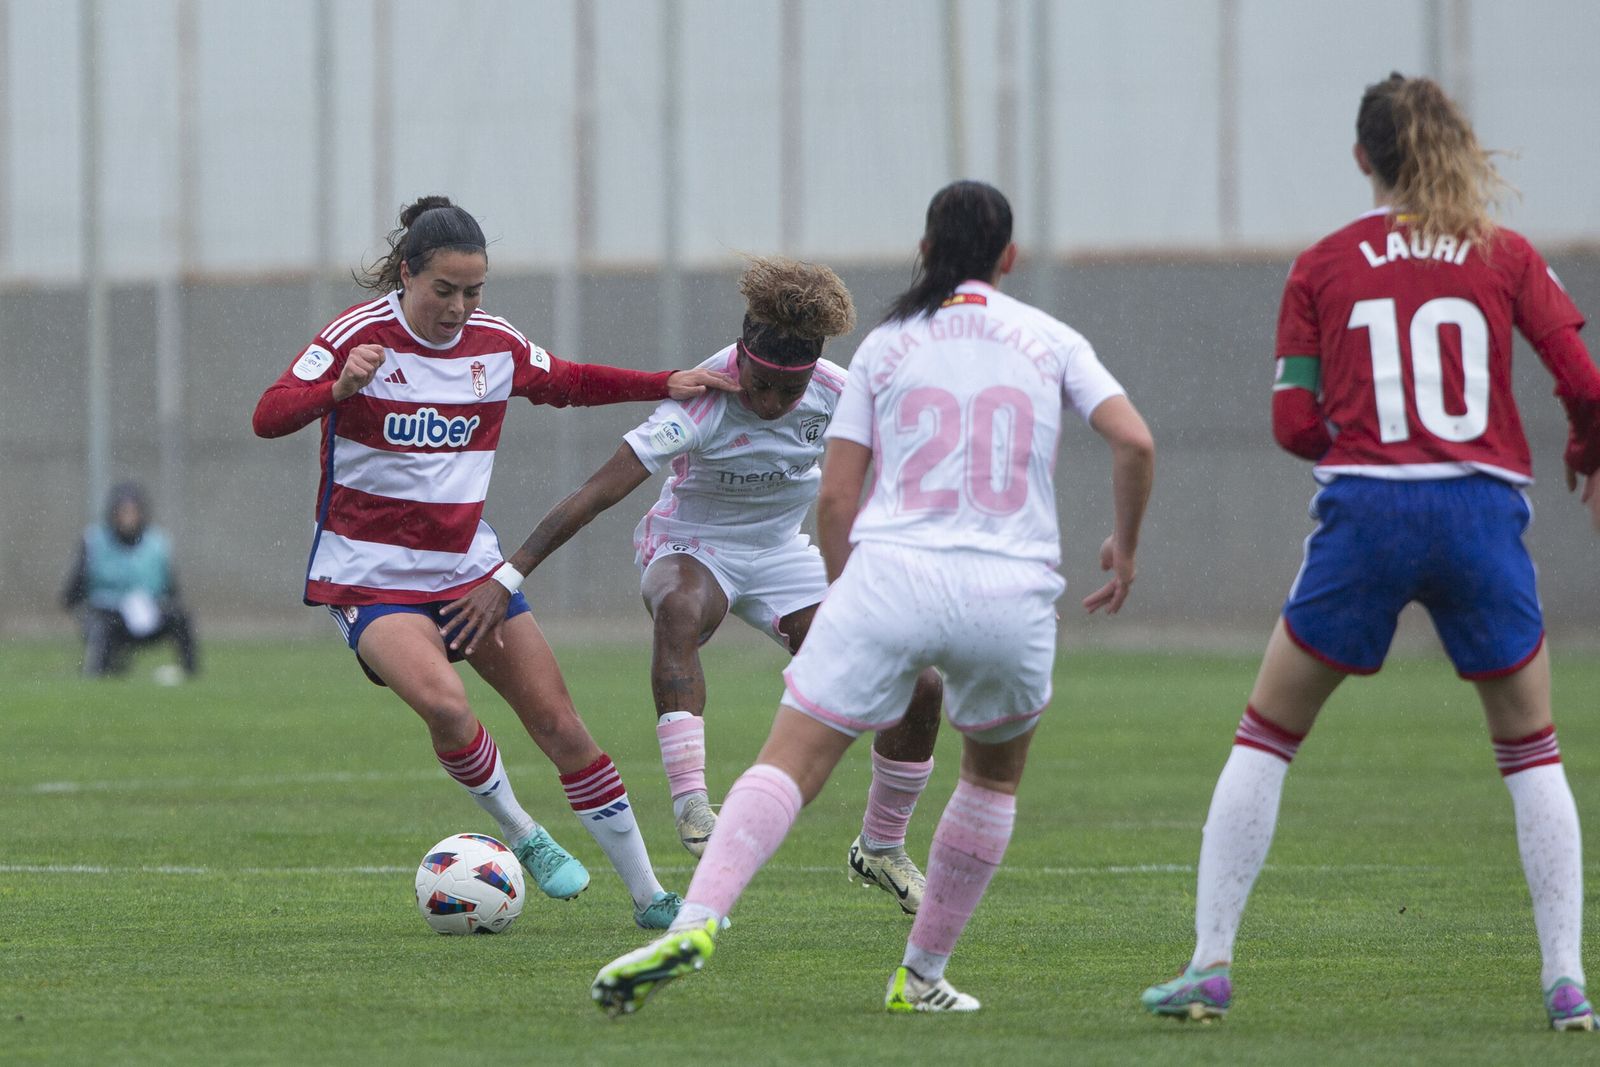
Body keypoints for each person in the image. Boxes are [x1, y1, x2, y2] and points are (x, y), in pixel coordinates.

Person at [589, 180, 1155, 1015]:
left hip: (898, 576)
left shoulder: (888, 348)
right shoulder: (1051, 338)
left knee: (792, 759)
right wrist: (1126, 548)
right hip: (1015, 590)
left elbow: (839, 499)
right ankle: (920, 973)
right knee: (991, 782)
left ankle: (695, 920)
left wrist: (851, 589)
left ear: (924, 252)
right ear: (1009, 258)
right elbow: (1134, 439)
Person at [1140, 74, 1600, 1031]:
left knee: (1266, 734)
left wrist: (1356, 449)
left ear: (1363, 159)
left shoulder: (1323, 264)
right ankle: (1568, 983)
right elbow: (1586, 384)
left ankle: (1210, 963)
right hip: (1481, 514)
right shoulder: (1505, 254)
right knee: (1531, 750)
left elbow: (1292, 420)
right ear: (1455, 146)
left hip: (1370, 514)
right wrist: (1584, 452)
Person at [251, 195, 736, 930]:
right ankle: (524, 833)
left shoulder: (494, 343)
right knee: (446, 704)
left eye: (473, 291)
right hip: (370, 577)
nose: (458, 307)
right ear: (407, 275)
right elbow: (268, 414)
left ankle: (651, 898)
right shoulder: (358, 335)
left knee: (561, 724)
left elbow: (566, 381)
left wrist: (662, 381)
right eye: (443, 289)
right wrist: (336, 389)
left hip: (468, 572)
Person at [441, 256, 945, 913]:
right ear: (742, 360)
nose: (768, 404)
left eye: (785, 394)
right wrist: (509, 575)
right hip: (690, 545)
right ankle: (692, 804)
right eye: (760, 385)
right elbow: (597, 492)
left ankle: (882, 845)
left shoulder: (842, 393)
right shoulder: (706, 400)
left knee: (920, 685)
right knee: (679, 607)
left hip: (782, 553)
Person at [61, 482, 199, 680]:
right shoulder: (94, 541)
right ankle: (96, 672)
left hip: (147, 610)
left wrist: (155, 605)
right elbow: (72, 591)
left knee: (181, 617)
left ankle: (189, 673)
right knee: (102, 627)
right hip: (108, 612)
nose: (128, 518)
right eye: (123, 512)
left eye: (132, 512)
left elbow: (171, 589)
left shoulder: (157, 543)